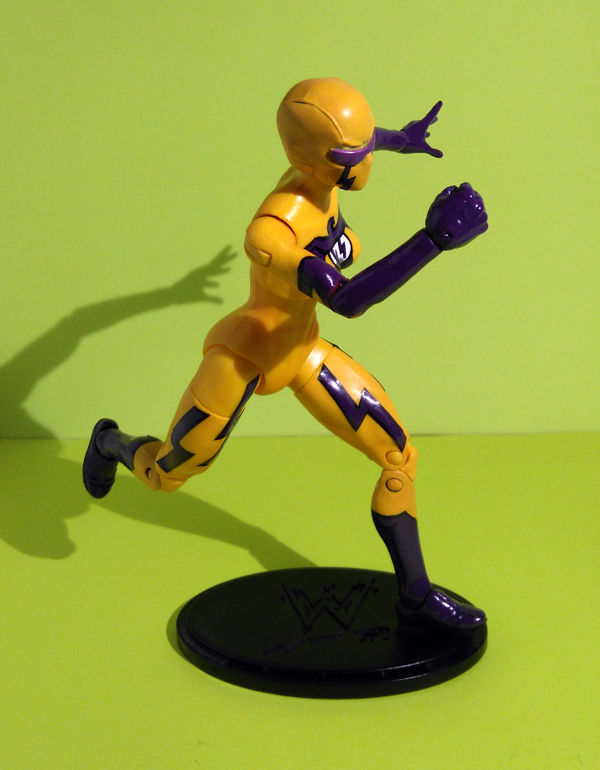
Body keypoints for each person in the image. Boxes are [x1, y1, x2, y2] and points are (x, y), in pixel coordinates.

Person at [83, 77, 488, 628]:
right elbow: (348, 301)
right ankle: (109, 441)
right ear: (309, 159)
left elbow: (360, 142)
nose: (366, 162)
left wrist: (403, 138)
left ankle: (414, 595)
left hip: (302, 351)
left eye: (366, 147)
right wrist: (432, 241)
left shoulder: (327, 170)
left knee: (399, 457)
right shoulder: (272, 232)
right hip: (245, 357)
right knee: (167, 474)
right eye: (353, 156)